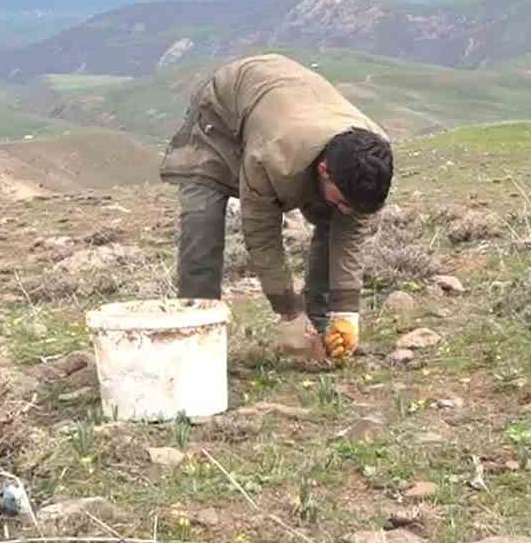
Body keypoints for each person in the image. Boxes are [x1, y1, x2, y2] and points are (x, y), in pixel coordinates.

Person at [158, 53, 394, 361]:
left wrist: (346, 312)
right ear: (324, 170)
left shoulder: (371, 159)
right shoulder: (271, 157)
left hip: (290, 107)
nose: (348, 210)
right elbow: (262, 236)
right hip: (223, 113)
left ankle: (318, 328)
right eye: (343, 200)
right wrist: (288, 312)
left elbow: (349, 234)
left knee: (335, 216)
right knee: (202, 222)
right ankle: (196, 338)